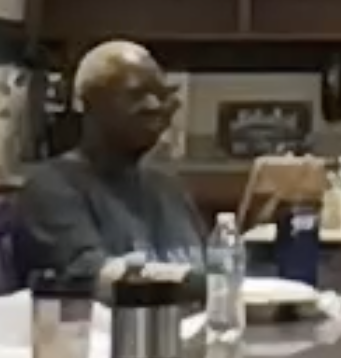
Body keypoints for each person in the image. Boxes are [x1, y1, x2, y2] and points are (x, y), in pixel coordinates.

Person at [18, 40, 206, 279]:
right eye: (136, 94)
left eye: (161, 95)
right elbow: (96, 279)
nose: (154, 106)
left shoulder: (169, 188)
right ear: (87, 103)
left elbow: (218, 270)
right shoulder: (53, 188)